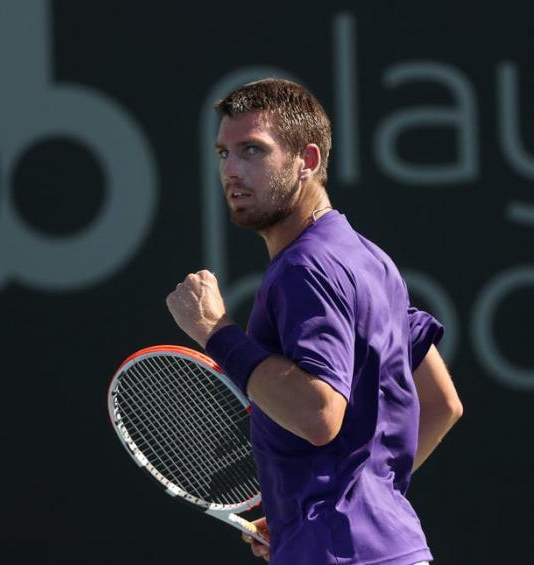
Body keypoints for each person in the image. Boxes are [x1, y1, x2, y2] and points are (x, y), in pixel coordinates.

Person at [165, 78, 463, 564]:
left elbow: (320, 415)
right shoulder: (370, 258)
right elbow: (442, 402)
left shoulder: (305, 268)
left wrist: (215, 333)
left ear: (306, 161)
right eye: (224, 154)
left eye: (252, 151)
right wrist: (331, 506)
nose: (232, 171)